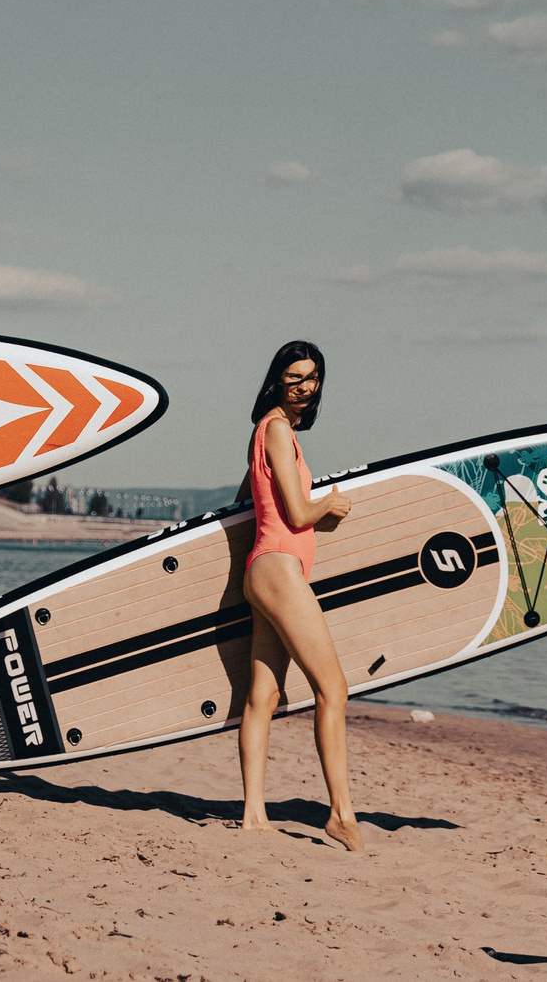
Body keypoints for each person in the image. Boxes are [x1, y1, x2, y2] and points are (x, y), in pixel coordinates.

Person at [232, 339, 364, 851]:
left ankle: (253, 816)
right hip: (280, 571)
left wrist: (309, 517)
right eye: (294, 378)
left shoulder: (266, 432)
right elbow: (296, 512)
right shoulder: (278, 430)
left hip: (266, 569)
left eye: (312, 378)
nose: (305, 387)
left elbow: (251, 500)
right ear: (277, 380)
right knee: (334, 689)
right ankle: (341, 814)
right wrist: (330, 505)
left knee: (263, 696)